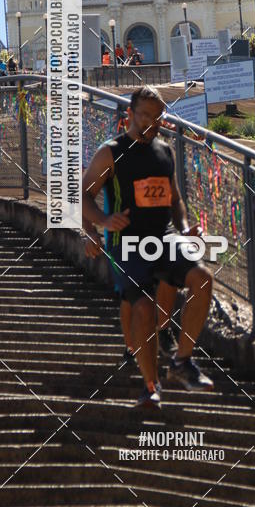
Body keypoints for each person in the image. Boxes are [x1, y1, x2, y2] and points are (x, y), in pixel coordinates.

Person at [82, 85, 214, 408]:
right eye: (145, 115)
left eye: (157, 117)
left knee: (202, 278)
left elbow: (176, 199)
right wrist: (101, 220)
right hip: (126, 243)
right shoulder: (111, 151)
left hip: (164, 238)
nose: (151, 123)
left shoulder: (165, 151)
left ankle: (182, 362)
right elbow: (82, 194)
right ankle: (151, 385)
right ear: (130, 114)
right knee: (142, 307)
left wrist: (185, 228)